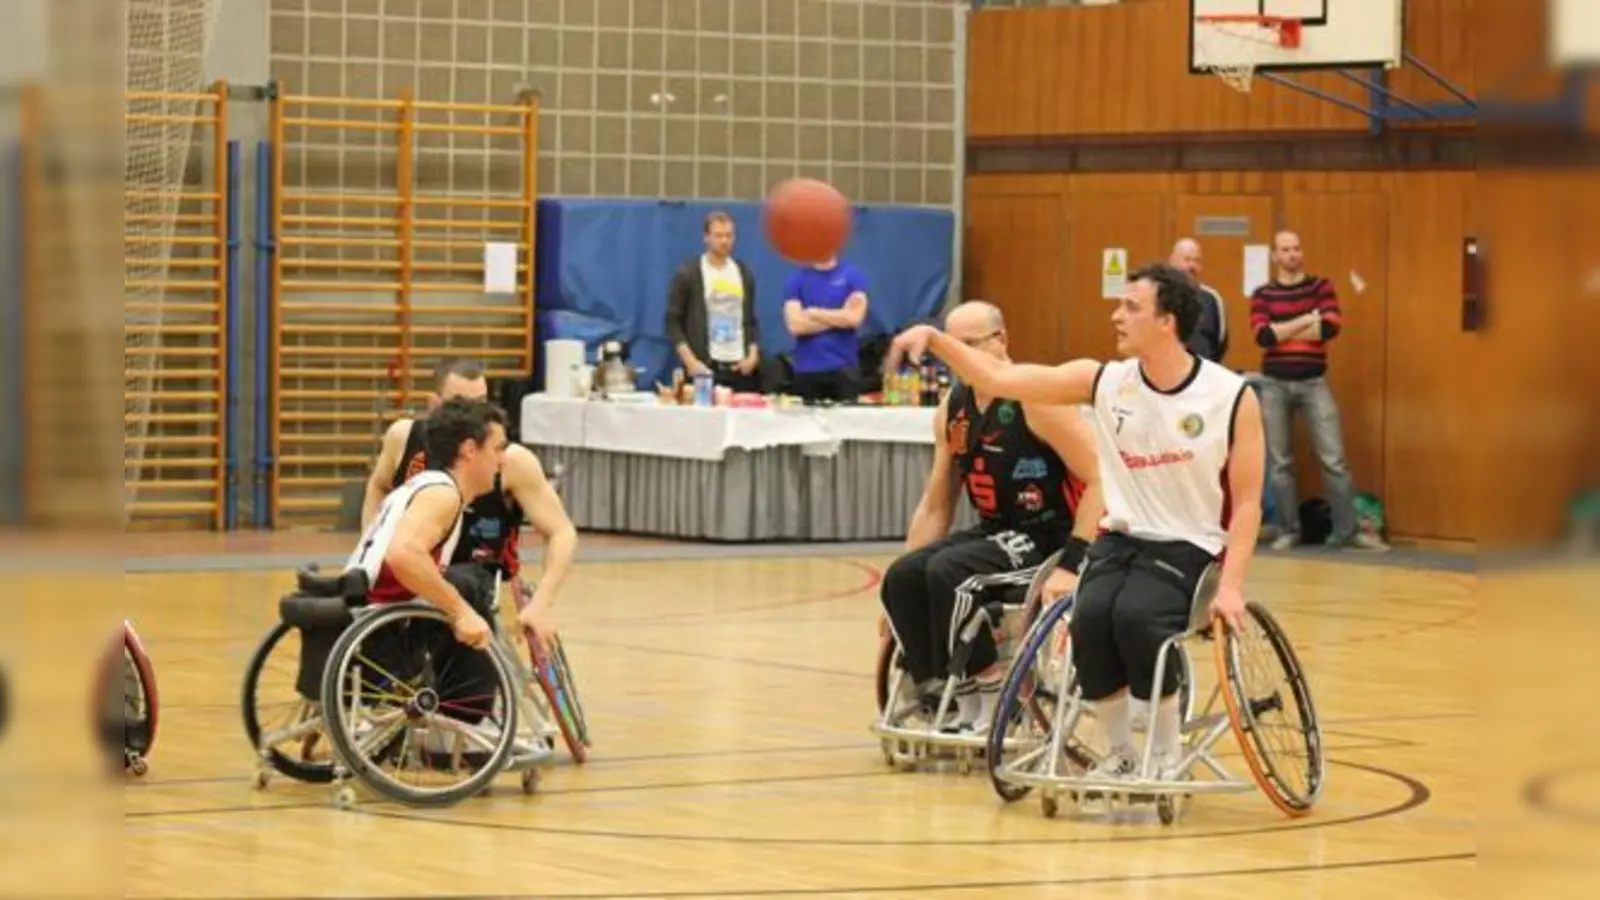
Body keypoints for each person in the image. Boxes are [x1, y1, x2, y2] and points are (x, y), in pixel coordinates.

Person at [888, 263, 1265, 780]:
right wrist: (932, 337)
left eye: (1131, 307)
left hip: (1189, 543)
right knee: (1087, 620)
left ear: (1167, 321)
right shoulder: (1104, 379)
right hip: (1122, 538)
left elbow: (1247, 504)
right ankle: (1119, 753)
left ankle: (1162, 752)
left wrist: (1234, 586)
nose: (1116, 315)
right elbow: (996, 377)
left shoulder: (1231, 396)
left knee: (1135, 618)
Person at [882, 300, 1105, 734]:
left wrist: (1073, 562)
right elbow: (936, 504)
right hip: (995, 533)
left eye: (967, 344)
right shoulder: (954, 406)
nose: (955, 355)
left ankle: (991, 693)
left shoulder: (1037, 399)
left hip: (1050, 535)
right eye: (949, 345)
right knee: (905, 576)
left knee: (950, 573)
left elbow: (1102, 478)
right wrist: (900, 610)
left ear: (1001, 341)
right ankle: (939, 692)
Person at [362, 358, 579, 646]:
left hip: (473, 579)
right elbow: (378, 485)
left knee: (459, 582)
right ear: (435, 404)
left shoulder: (511, 461)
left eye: (482, 404)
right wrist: (372, 543)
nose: (475, 417)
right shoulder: (404, 438)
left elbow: (562, 532)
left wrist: (542, 603)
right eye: (462, 404)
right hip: (415, 575)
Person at [1249, 230, 1388, 552]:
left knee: (1334, 459)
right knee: (1279, 463)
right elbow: (1263, 337)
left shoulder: (1320, 287)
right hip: (1273, 384)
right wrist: (1304, 321)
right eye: (1285, 249)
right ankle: (1288, 530)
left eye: (1297, 248)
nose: (1292, 254)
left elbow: (1329, 326)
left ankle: (1348, 531)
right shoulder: (1262, 294)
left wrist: (1285, 328)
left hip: (1314, 382)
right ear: (1275, 256)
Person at [664, 211, 762, 393]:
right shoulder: (689, 274)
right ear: (706, 238)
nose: (724, 241)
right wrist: (691, 362)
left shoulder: (743, 273)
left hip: (739, 368)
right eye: (718, 236)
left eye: (729, 235)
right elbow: (672, 322)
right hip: (705, 367)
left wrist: (753, 354)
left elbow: (751, 319)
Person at [782, 256, 869, 403]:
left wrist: (814, 313)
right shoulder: (797, 280)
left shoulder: (853, 277)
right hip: (808, 370)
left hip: (845, 369)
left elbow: (854, 319)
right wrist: (840, 316)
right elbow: (796, 326)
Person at [1169, 238, 1228, 363]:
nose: (1192, 266)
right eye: (1187, 259)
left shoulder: (1211, 298)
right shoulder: (1156, 295)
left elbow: (1220, 342)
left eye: (1197, 261)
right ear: (1172, 261)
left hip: (1203, 373)